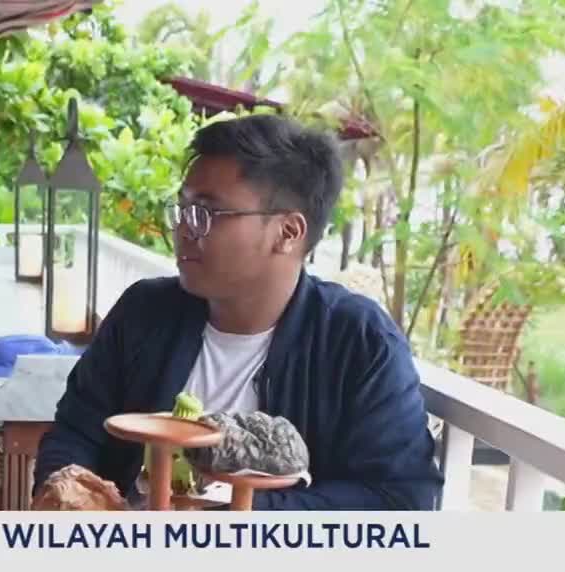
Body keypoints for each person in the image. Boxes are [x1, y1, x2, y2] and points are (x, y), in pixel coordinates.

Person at [34, 114, 443, 510]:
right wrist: (73, 501)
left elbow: (399, 501)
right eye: (183, 209)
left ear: (288, 232)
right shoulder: (144, 313)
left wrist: (232, 524)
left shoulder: (359, 342)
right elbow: (74, 433)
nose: (184, 229)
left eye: (208, 213)